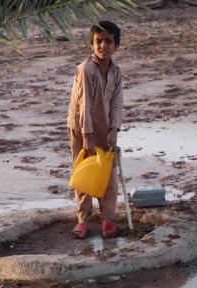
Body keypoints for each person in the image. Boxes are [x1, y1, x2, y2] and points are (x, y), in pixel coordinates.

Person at [67, 20, 123, 239]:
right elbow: (84, 104)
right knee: (84, 170)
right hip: (81, 126)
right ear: (91, 45)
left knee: (109, 172)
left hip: (106, 126)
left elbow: (117, 103)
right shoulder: (85, 69)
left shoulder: (117, 71)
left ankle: (107, 218)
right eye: (98, 42)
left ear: (116, 45)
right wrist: (86, 133)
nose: (103, 46)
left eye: (108, 41)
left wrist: (115, 128)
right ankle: (83, 219)